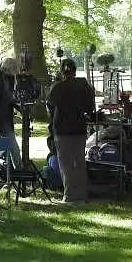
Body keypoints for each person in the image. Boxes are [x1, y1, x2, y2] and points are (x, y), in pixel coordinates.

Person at [47, 58, 95, 203]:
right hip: (79, 127)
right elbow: (90, 107)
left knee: (65, 164)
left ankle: (69, 195)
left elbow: (50, 104)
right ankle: (81, 194)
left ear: (62, 71)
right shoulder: (83, 85)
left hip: (62, 129)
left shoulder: (57, 87)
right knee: (79, 162)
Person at [0, 58, 23, 168]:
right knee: (2, 150)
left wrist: (20, 109)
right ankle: (10, 172)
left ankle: (18, 172)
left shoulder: (10, 79)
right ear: (9, 69)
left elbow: (11, 98)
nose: (16, 72)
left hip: (6, 120)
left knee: (14, 149)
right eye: (15, 69)